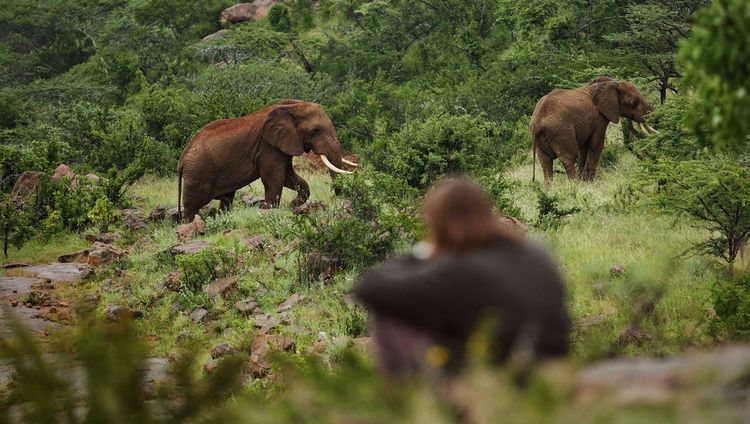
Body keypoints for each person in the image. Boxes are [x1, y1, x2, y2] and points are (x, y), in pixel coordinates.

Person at [353, 177, 570, 377]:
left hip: (502, 378)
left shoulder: (459, 270)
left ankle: (404, 400)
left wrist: (422, 252)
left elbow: (369, 287)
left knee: (389, 314)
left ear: (438, 226)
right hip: (552, 367)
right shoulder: (536, 253)